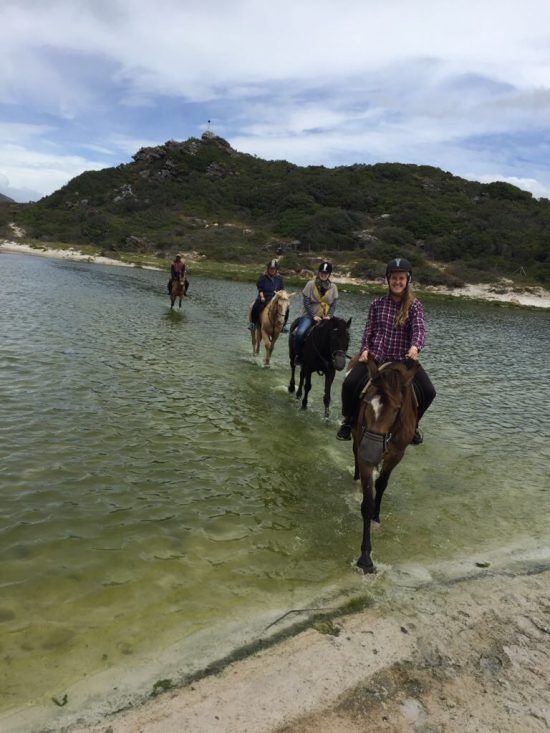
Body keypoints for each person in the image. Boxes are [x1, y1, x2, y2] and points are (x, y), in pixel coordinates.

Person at [336, 257, 435, 444]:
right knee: (349, 383)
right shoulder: (377, 304)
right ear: (388, 280)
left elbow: (419, 329)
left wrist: (415, 346)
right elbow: (368, 331)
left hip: (403, 362)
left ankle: (413, 426)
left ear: (407, 281)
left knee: (429, 391)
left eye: (401, 278)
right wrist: (365, 350)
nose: (397, 282)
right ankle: (348, 421)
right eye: (394, 278)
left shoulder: (415, 306)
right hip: (378, 359)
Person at [292, 261, 339, 365]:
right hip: (309, 315)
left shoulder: (333, 287)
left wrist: (329, 316)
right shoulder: (310, 284)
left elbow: (333, 304)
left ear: (329, 274)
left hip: (325, 317)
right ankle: (298, 356)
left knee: (337, 335)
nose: (323, 274)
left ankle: (330, 359)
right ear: (319, 273)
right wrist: (313, 316)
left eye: (326, 273)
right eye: (322, 272)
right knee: (299, 333)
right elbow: (306, 302)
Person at [248, 260, 285, 330]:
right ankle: (253, 323)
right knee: (256, 306)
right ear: (268, 269)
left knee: (285, 307)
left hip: (275, 297)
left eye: (273, 269)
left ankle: (284, 325)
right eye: (271, 268)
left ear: (276, 269)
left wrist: (282, 296)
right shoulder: (263, 276)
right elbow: (260, 289)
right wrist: (262, 297)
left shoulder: (280, 278)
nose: (272, 270)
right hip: (265, 296)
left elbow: (282, 289)